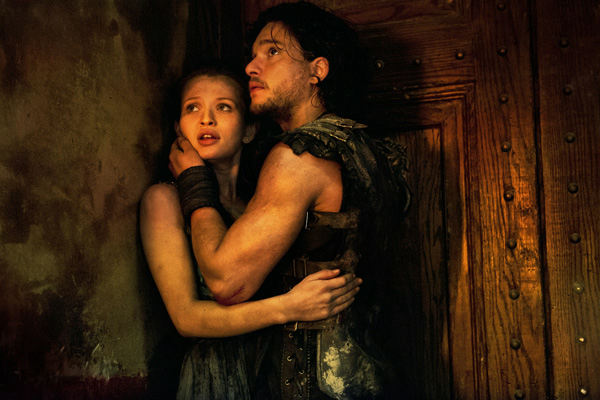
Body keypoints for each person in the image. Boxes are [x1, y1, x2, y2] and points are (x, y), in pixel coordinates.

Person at [169, 3, 410, 399]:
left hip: (312, 386)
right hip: (374, 376)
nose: (251, 67)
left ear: (318, 70)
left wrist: (194, 181)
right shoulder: (371, 151)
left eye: (272, 51)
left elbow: (226, 282)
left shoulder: (299, 157)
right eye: (253, 55)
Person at [140, 65, 362, 399]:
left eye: (224, 107)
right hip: (215, 374)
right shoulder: (163, 199)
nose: (206, 119)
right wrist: (288, 307)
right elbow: (186, 318)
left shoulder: (257, 204)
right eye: (192, 108)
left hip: (272, 367)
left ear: (248, 129)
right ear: (178, 128)